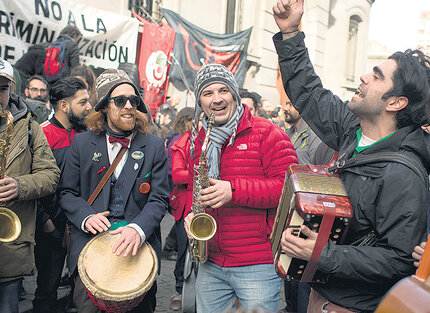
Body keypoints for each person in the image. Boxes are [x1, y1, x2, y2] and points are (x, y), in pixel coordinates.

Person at [272, 1, 430, 312]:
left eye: (376, 76)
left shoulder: (403, 173)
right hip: (320, 295)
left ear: (396, 102)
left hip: (352, 306)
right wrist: (290, 32)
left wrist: (320, 253)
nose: (363, 77)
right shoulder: (351, 129)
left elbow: (397, 260)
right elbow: (309, 93)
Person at [184, 63, 297, 313]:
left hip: (256, 263)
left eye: (223, 90)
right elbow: (193, 189)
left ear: (234, 94)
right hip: (211, 261)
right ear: (199, 101)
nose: (216, 99)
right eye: (208, 93)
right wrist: (190, 214)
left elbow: (288, 190)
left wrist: (233, 191)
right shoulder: (199, 138)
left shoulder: (268, 133)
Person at [59, 69, 169, 312]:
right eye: (120, 100)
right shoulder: (81, 144)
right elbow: (67, 193)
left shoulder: (155, 146)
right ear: (104, 106)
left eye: (134, 100)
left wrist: (138, 229)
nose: (129, 106)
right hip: (90, 249)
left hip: (138, 250)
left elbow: (159, 199)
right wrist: (86, 217)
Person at [0, 55, 60, 313]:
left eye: (3, 88)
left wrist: (21, 185)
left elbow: (50, 174)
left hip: (5, 254)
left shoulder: (28, 126)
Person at [33, 77, 91, 313]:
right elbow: (34, 182)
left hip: (83, 224)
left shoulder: (88, 136)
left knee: (84, 286)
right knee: (47, 287)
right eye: (83, 102)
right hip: (52, 227)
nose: (89, 107)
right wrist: (44, 221)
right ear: (64, 106)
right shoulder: (41, 135)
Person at [282, 98, 335, 313]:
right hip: (290, 204)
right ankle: (290, 307)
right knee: (288, 267)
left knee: (302, 272)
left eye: (291, 104)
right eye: (285, 104)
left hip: (308, 211)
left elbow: (317, 173)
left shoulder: (316, 136)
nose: (286, 108)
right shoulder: (289, 132)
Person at [164, 107, 195, 311]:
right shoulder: (180, 142)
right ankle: (179, 288)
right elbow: (176, 175)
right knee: (183, 251)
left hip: (206, 204)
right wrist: (201, 173)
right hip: (184, 203)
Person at [15, 25, 82, 90]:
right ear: (75, 36)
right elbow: (75, 67)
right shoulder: (72, 45)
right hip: (63, 80)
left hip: (49, 79)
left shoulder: (52, 44)